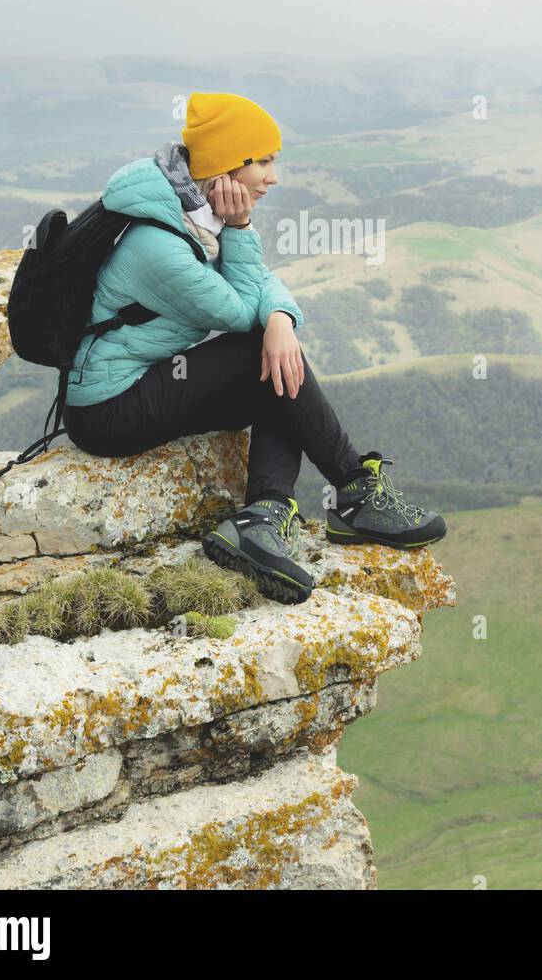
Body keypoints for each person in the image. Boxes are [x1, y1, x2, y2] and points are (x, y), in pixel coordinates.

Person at [63, 91, 446, 604]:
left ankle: (264, 517)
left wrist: (283, 319)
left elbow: (261, 286)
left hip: (143, 383)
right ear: (226, 165)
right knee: (259, 353)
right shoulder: (159, 243)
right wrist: (244, 235)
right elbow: (240, 311)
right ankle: (355, 493)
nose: (273, 177)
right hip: (107, 410)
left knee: (274, 366)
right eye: (263, 161)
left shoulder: (189, 214)